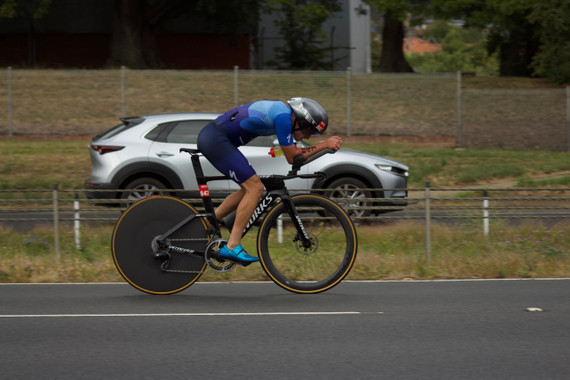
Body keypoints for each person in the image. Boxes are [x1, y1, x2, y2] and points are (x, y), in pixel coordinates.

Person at [197, 97, 342, 265]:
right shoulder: (283, 118)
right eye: (310, 131)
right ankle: (232, 245)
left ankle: (208, 222)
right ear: (302, 120)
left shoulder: (283, 115)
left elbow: (289, 151)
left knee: (248, 189)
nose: (310, 136)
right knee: (255, 188)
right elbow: (293, 157)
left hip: (217, 138)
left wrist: (286, 151)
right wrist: (324, 145)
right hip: (216, 140)